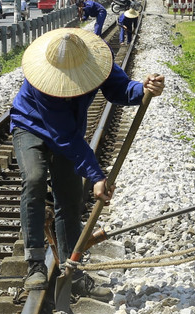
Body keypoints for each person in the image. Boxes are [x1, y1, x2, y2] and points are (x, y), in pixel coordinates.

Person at [10, 28, 165, 295]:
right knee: (34, 179)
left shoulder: (95, 61)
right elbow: (65, 136)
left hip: (66, 131)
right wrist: (96, 176)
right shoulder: (41, 81)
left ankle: (73, 270)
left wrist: (142, 88)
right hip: (31, 125)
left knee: (69, 196)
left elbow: (120, 87)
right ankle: (35, 264)